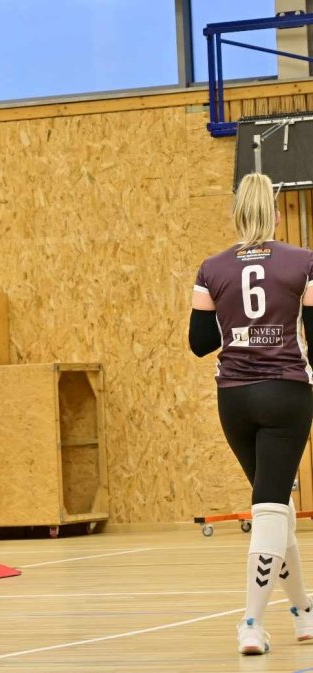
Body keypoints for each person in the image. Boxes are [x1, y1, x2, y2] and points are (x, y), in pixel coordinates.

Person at [189, 172, 313, 655]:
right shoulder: (304, 262)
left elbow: (200, 343)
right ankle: (251, 622)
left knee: (273, 504)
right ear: (276, 215)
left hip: (234, 399)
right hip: (285, 394)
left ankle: (302, 611)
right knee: (270, 507)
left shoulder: (211, 269)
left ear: (237, 215)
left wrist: (238, 327)